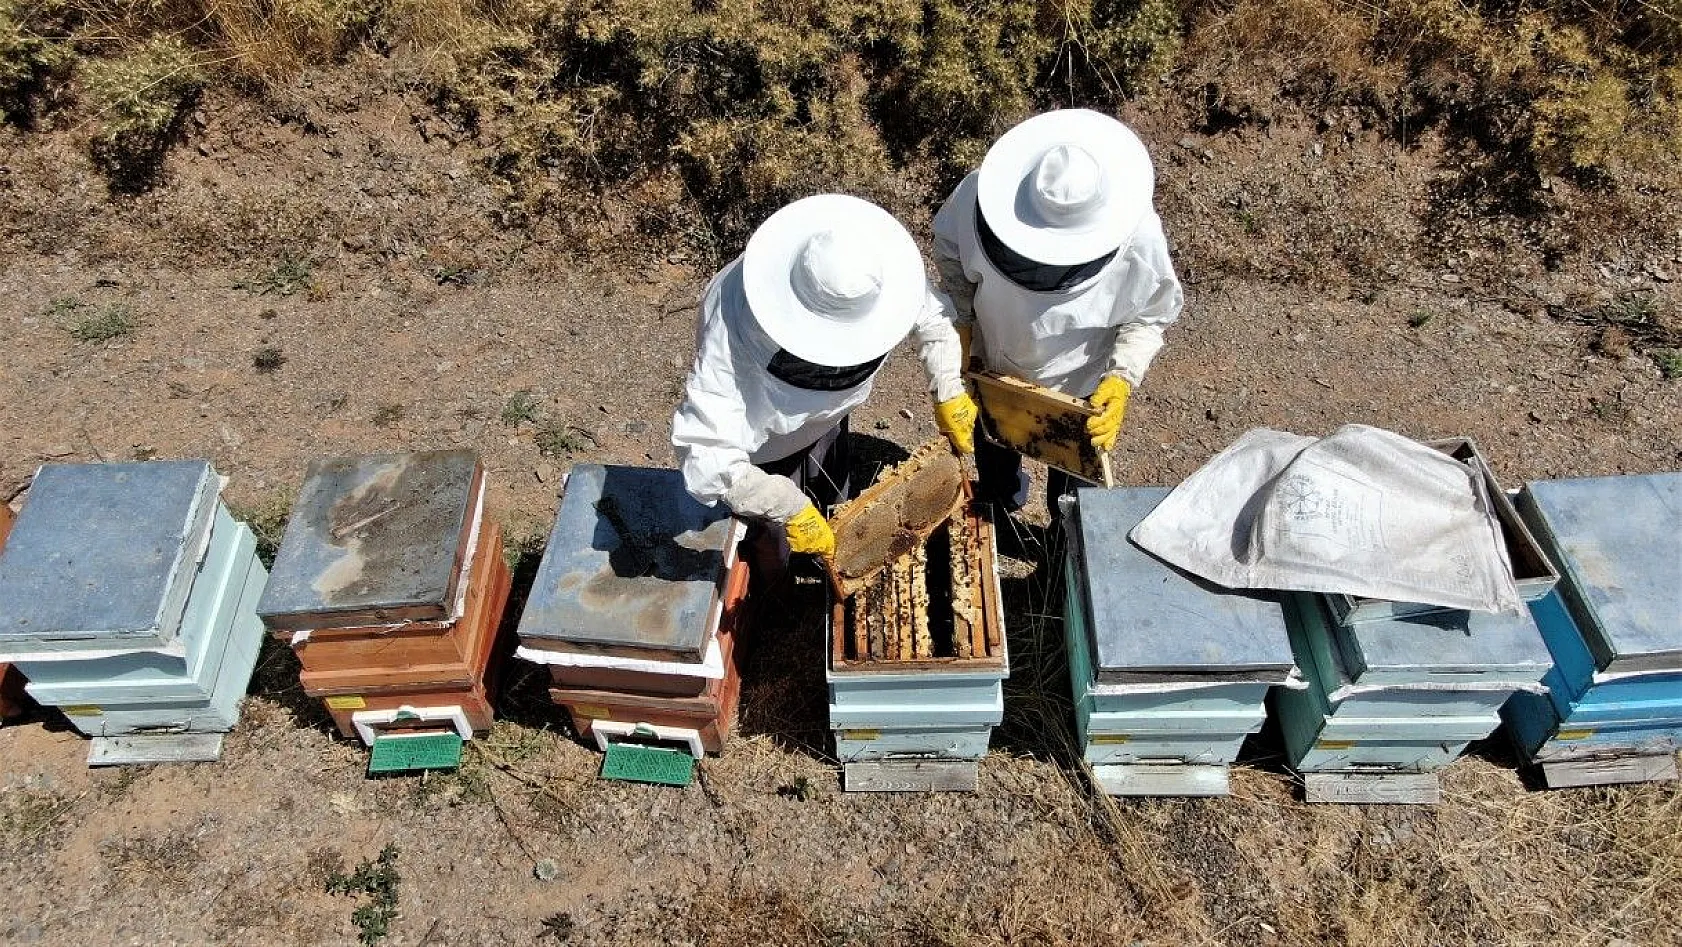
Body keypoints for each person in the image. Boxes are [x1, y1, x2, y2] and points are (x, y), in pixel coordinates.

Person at [672, 194, 975, 569]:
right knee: (771, 537)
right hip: (764, 445)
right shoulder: (731, 339)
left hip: (828, 415)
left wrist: (948, 388)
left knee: (832, 483)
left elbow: (931, 319)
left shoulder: (867, 268)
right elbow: (706, 458)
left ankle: (834, 544)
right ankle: (779, 594)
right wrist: (786, 505)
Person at [932, 109, 1183, 515]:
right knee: (993, 455)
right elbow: (950, 251)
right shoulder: (980, 192)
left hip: (1079, 385)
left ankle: (1060, 544)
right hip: (993, 364)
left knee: (1071, 499)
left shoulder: (1139, 236)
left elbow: (1150, 315)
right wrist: (961, 324)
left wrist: (1121, 380)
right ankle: (1001, 501)